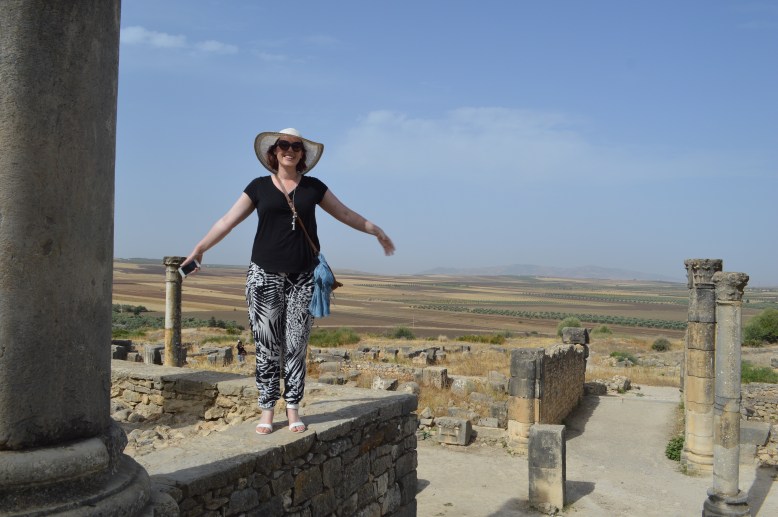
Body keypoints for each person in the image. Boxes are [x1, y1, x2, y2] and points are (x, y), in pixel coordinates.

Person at [181, 128, 394, 435]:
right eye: (284, 145)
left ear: (302, 153)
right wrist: (200, 248)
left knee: (296, 345)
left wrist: (376, 230)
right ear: (274, 151)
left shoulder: (314, 187)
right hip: (264, 275)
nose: (289, 150)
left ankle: (293, 407)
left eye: (296, 146)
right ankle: (267, 410)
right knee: (267, 345)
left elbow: (346, 214)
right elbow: (227, 221)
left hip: (303, 278)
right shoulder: (258, 187)